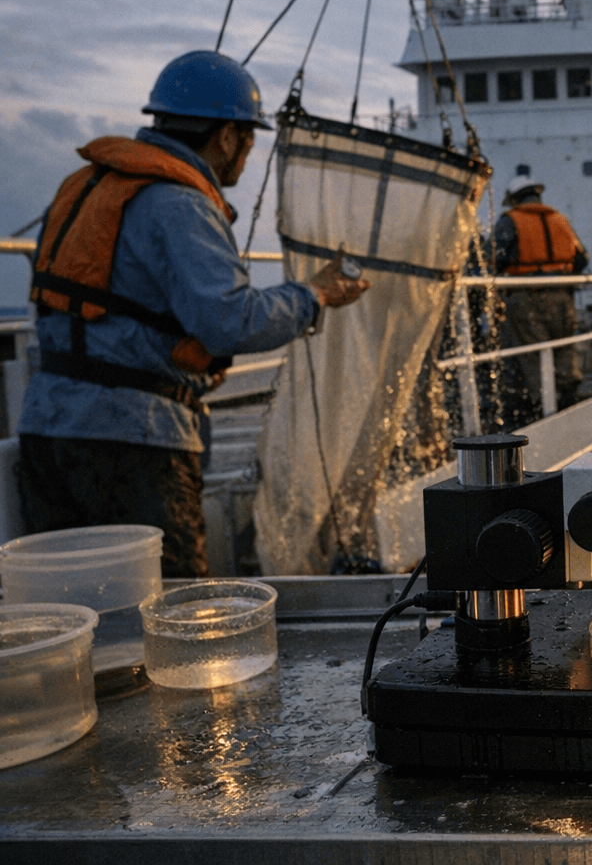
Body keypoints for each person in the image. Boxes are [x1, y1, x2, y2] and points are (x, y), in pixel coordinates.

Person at [15, 50, 370, 578]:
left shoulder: (83, 185)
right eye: (248, 140)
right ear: (226, 136)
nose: (246, 156)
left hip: (46, 429)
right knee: (169, 602)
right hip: (136, 442)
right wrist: (314, 294)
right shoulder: (179, 204)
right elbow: (230, 321)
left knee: (72, 596)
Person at [492, 166, 589, 411]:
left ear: (515, 198)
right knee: (564, 347)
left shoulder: (510, 221)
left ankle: (540, 404)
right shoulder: (560, 220)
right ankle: (569, 397)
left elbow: (491, 258)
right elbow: (581, 259)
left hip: (526, 297)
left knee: (532, 353)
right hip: (562, 296)